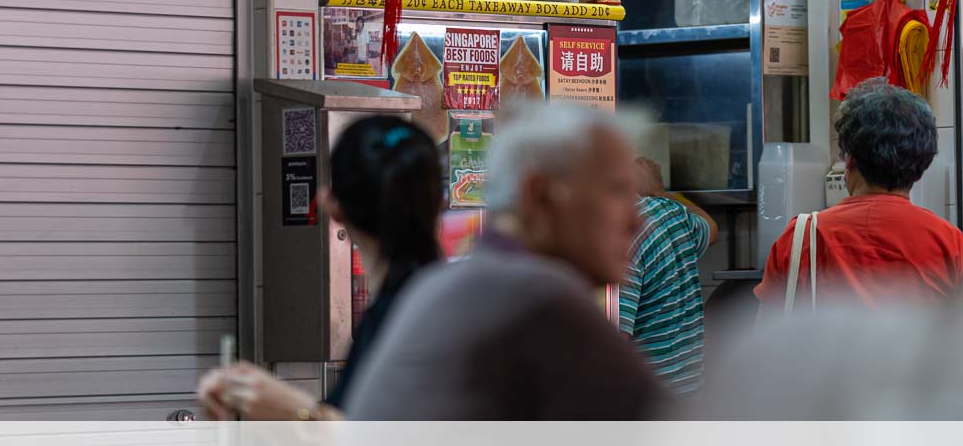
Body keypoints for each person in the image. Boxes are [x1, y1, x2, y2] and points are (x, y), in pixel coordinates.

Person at [344, 104, 661, 420]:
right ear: (539, 196)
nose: (638, 222)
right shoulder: (539, 297)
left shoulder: (452, 282)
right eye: (617, 191)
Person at [196, 116, 443, 420]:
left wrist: (299, 413)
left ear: (330, 204)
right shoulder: (446, 301)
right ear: (438, 201)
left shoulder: (406, 315)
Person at [756, 78, 963, 310]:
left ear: (850, 159)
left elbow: (764, 334)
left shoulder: (801, 237)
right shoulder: (948, 242)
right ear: (919, 170)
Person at [620, 157, 717, 395]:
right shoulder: (669, 212)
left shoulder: (614, 239)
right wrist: (658, 191)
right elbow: (711, 228)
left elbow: (609, 347)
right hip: (686, 397)